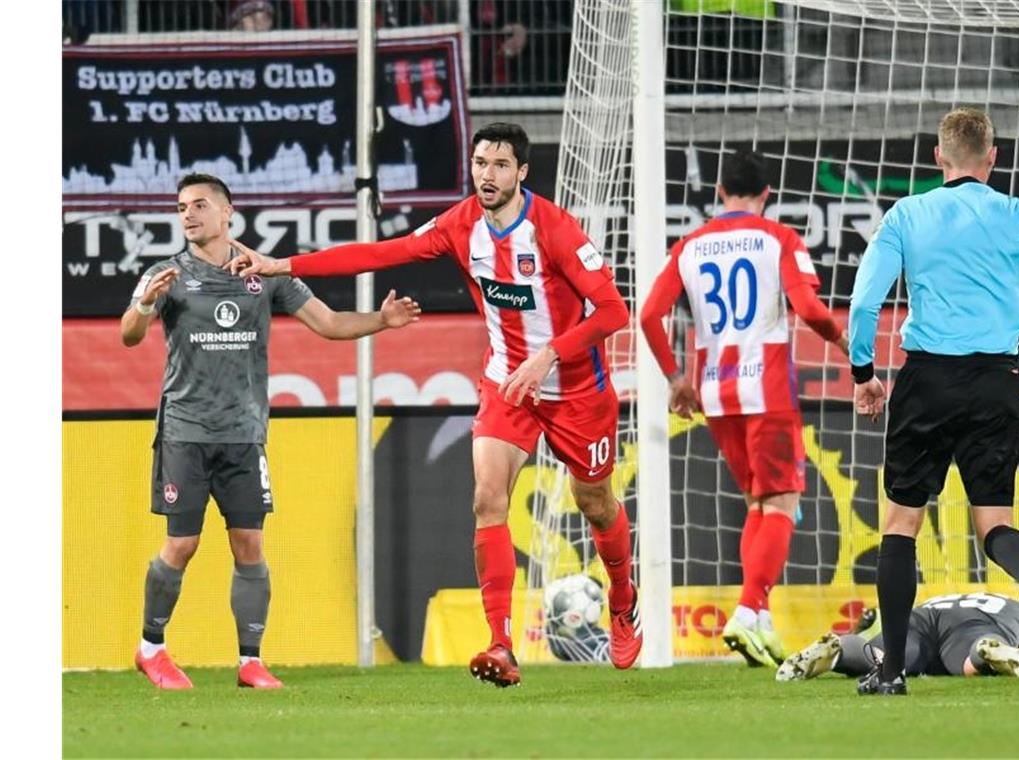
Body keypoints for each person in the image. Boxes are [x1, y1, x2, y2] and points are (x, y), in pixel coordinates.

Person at [225, 123, 642, 687]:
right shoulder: (460, 224)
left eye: (499, 165)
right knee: (487, 498)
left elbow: (615, 312)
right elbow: (379, 252)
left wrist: (548, 355)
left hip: (575, 392)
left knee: (594, 502)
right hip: (507, 384)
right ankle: (501, 643)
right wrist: (284, 265)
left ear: (522, 173)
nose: (486, 175)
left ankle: (622, 596)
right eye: (479, 163)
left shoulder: (556, 230)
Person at [124, 173, 421, 690]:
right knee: (183, 545)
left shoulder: (265, 274)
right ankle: (151, 648)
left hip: (244, 433)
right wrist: (147, 303)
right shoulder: (165, 273)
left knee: (250, 545)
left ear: (227, 213)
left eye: (198, 205)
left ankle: (251, 662)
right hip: (185, 432)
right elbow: (129, 335)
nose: (188, 215)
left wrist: (382, 319)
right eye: (180, 207)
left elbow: (327, 324)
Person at [847, 107, 1019, 695]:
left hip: (928, 380)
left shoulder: (907, 214)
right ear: (993, 159)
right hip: (999, 378)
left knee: (901, 524)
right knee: (995, 521)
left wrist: (864, 375)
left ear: (938, 158)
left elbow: (864, 304)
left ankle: (892, 670)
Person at [639, 150, 849, 668]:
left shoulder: (689, 246)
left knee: (759, 504)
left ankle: (759, 618)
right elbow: (809, 309)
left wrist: (675, 378)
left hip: (714, 390)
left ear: (718, 191)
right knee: (782, 501)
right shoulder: (779, 239)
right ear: (767, 195)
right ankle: (750, 608)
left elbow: (648, 315)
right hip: (767, 387)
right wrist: (846, 343)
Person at [776, 591, 1019, 682]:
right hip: (976, 625)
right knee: (971, 661)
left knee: (884, 658)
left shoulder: (954, 596)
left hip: (920, 617)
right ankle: (986, 649)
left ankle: (838, 648)